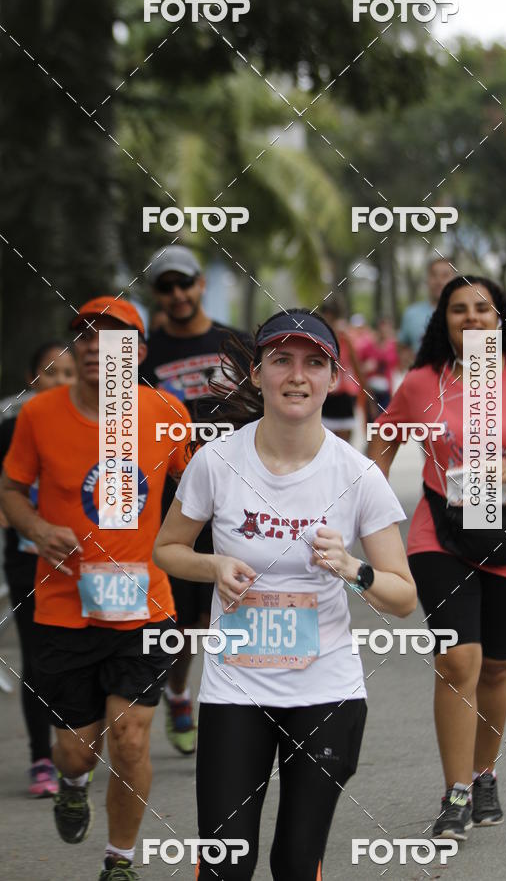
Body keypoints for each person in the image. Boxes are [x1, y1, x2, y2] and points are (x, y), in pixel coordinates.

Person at [153, 308, 417, 880]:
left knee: (297, 864)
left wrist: (352, 567)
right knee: (226, 864)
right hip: (235, 690)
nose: (297, 375)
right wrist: (215, 565)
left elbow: (402, 596)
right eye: (282, 361)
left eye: (314, 363)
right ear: (258, 373)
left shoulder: (358, 474)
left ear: (332, 377)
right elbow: (167, 550)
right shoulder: (217, 461)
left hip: (326, 691)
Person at [368, 276, 506, 841]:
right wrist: (371, 503)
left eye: (483, 308)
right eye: (459, 310)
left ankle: (485, 774)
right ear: (444, 321)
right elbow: (383, 441)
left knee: (499, 666)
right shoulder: (421, 383)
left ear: (500, 317)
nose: (472, 317)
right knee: (458, 661)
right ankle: (456, 791)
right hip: (440, 536)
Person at [0, 297, 190, 881]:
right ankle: (73, 780)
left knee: (131, 739)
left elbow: (197, 490)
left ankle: (120, 860)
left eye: (112, 338)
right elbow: (9, 488)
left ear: (136, 354)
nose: (94, 346)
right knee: (79, 749)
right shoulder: (40, 415)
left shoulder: (167, 413)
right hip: (63, 609)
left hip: (145, 606)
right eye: (84, 336)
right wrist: (33, 526)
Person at [143, 245, 251, 755]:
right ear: (156, 294)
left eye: (184, 283)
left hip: (235, 487)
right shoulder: (145, 352)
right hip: (172, 495)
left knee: (223, 607)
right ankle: (179, 689)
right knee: (183, 619)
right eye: (166, 287)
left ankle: (228, 706)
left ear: (201, 283)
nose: (178, 295)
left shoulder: (237, 343)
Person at [0, 341, 76, 796]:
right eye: (51, 372)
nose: (61, 381)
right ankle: (41, 758)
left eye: (69, 373)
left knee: (80, 658)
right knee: (38, 660)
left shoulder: (99, 425)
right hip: (27, 560)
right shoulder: (12, 425)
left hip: (82, 563)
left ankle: (76, 749)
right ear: (34, 380)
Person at [320, 297, 374, 442]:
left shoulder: (345, 338)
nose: (328, 320)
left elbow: (357, 368)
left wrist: (369, 398)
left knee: (343, 446)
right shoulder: (319, 338)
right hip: (325, 397)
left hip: (344, 397)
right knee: (324, 445)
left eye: (331, 316)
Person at [397, 257, 455, 364]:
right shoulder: (411, 314)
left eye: (445, 275)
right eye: (434, 275)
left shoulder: (467, 315)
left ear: (455, 280)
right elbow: (402, 347)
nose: (439, 281)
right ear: (427, 280)